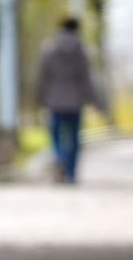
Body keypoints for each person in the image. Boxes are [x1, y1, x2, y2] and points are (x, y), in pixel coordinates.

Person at [35, 17, 105, 183]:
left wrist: (38, 98)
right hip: (75, 100)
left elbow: (43, 76)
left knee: (56, 135)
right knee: (74, 138)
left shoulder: (50, 49)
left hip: (54, 99)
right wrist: (97, 102)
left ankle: (59, 158)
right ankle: (71, 173)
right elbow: (87, 79)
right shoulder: (81, 51)